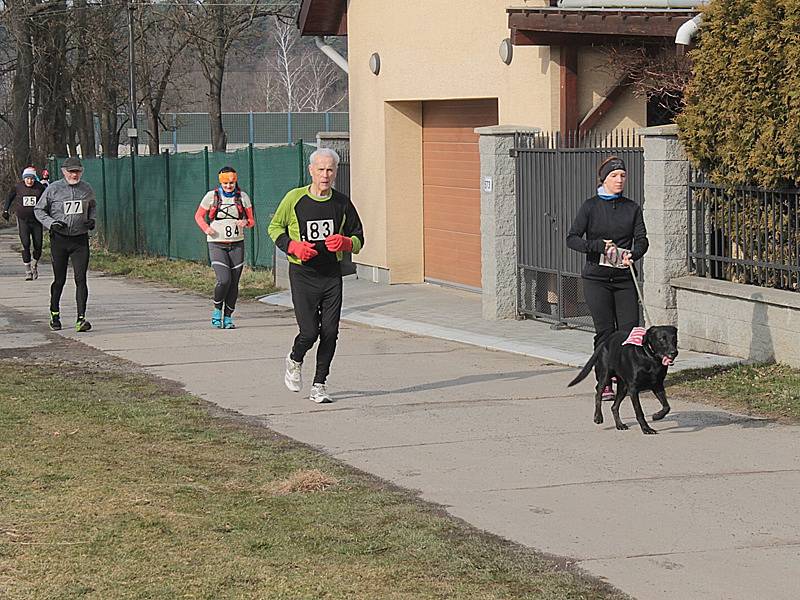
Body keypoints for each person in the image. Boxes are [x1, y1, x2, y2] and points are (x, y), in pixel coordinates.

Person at [268, 148, 364, 404]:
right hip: (303, 274)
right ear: (311, 171)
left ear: (336, 172)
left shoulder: (342, 203)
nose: (325, 174)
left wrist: (345, 242)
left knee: (330, 332)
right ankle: (295, 359)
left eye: (330, 169)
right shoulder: (294, 198)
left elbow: (359, 239)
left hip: (331, 275)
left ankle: (319, 384)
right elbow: (274, 227)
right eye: (320, 169)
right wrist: (293, 246)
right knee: (309, 332)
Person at [566, 156, 649, 400]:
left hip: (624, 279)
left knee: (628, 331)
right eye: (614, 176)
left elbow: (642, 239)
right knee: (605, 332)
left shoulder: (632, 208)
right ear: (603, 179)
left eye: (623, 175)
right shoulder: (590, 206)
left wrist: (634, 253)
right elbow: (572, 238)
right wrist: (597, 246)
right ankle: (604, 382)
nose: (620, 180)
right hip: (596, 279)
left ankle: (626, 378)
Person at [34, 156, 97, 332]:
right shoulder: (53, 189)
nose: (74, 175)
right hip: (59, 239)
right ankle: (54, 313)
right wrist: (51, 223)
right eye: (71, 172)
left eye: (77, 171)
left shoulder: (86, 189)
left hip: (80, 240)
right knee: (59, 280)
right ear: (64, 172)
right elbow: (39, 210)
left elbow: (92, 207)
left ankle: (81, 319)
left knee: (80, 278)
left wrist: (91, 221)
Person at [194, 166, 255, 329]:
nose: (229, 186)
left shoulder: (242, 197)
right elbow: (198, 216)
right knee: (224, 280)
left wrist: (245, 223)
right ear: (221, 182)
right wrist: (207, 229)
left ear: (236, 181)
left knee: (234, 283)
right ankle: (216, 309)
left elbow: (251, 220)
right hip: (216, 243)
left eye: (232, 182)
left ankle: (228, 317)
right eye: (226, 183)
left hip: (237, 243)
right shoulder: (211, 196)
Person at [3, 166, 47, 280]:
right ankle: (27, 270)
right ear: (24, 179)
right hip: (23, 220)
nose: (29, 181)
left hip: (37, 220)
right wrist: (6, 210)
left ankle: (34, 264)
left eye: (32, 178)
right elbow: (9, 197)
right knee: (25, 244)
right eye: (27, 178)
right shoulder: (18, 187)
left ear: (35, 179)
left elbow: (48, 199)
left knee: (38, 245)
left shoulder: (40, 187)